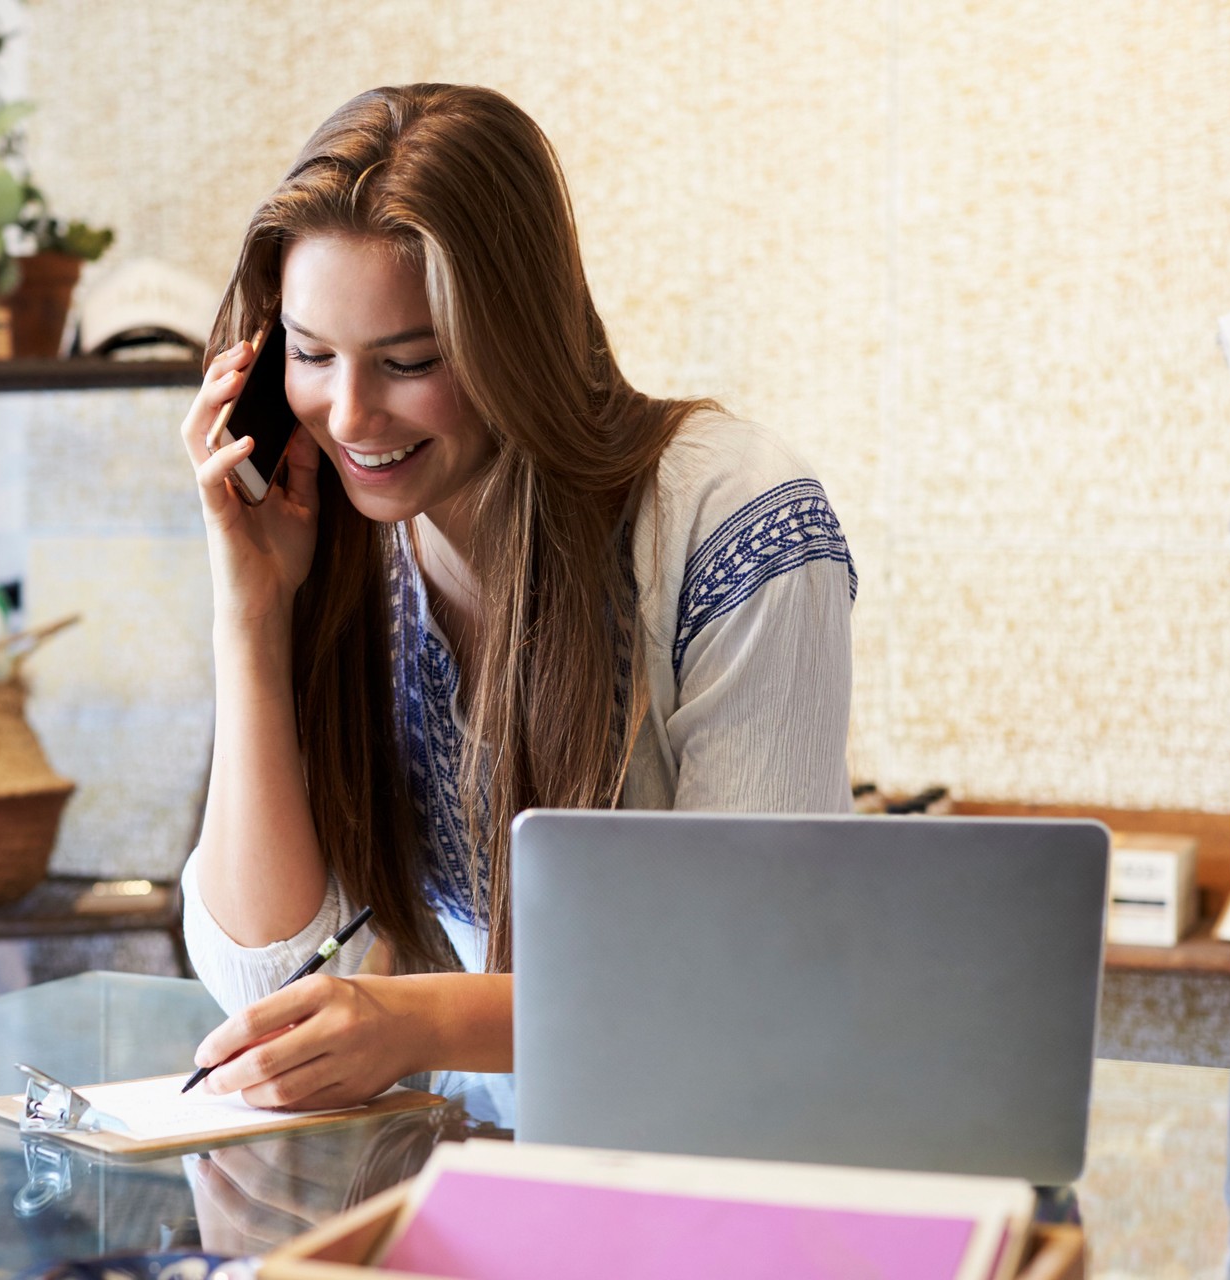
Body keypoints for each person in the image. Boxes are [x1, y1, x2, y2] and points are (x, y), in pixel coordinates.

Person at [177, 83, 854, 1110]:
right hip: (499, 1166)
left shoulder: (739, 518)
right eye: (311, 356)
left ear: (516, 343)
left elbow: (745, 974)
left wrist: (423, 1020)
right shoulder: (331, 539)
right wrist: (252, 610)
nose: (349, 414)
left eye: (410, 362)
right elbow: (267, 978)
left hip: (735, 1154)